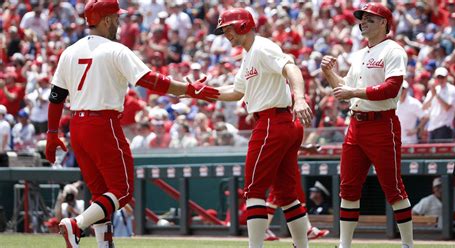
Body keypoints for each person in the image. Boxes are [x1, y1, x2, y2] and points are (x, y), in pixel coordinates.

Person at [44, 1, 219, 248]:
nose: (119, 21)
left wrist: (52, 133)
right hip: (103, 123)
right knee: (122, 191)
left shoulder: (69, 51)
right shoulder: (116, 49)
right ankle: (77, 224)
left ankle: (104, 244)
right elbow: (149, 80)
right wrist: (189, 90)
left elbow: (56, 97)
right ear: (106, 20)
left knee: (100, 195)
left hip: (77, 126)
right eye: (116, 17)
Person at [212, 8, 314, 248]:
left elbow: (292, 68)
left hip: (271, 122)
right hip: (281, 123)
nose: (226, 34)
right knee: (288, 196)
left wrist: (299, 98)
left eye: (229, 28)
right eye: (224, 30)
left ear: (244, 25)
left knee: (254, 190)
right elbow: (237, 91)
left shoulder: (262, 47)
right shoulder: (249, 54)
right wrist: (203, 93)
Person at [320, 3, 414, 248]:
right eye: (362, 19)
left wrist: (355, 91)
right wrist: (329, 73)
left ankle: (407, 245)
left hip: (382, 124)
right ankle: (344, 245)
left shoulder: (393, 50)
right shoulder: (360, 54)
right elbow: (345, 91)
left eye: (370, 19)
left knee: (393, 188)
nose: (363, 22)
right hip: (356, 125)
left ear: (384, 23)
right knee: (348, 188)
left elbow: (392, 87)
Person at [422, 67, 455, 142]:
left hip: (445, 126)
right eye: (438, 77)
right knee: (431, 153)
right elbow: (424, 107)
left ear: (446, 77)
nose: (440, 79)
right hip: (432, 126)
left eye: (442, 77)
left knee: (443, 153)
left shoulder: (452, 89)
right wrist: (433, 95)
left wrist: (436, 95)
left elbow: (447, 107)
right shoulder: (433, 90)